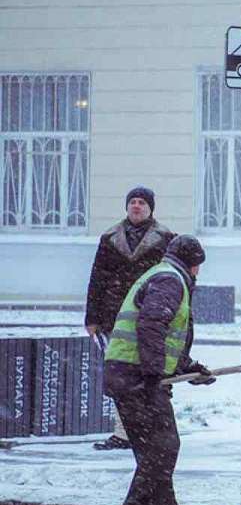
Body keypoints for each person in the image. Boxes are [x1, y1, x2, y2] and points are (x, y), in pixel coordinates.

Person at [103, 234, 215, 505]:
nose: (198, 273)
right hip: (135, 376)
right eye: (198, 266)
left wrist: (188, 368)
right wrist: (154, 376)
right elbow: (151, 325)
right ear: (193, 264)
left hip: (130, 373)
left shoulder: (163, 275)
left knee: (155, 450)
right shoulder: (170, 280)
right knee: (163, 447)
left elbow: (163, 338)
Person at [85, 187, 175, 450]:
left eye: (142, 203)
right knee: (121, 376)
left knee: (152, 372)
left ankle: (150, 429)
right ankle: (124, 432)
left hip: (152, 315)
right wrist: (92, 316)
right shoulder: (110, 238)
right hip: (116, 317)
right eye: (132, 202)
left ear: (150, 208)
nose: (136, 206)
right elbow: (97, 279)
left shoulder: (166, 238)